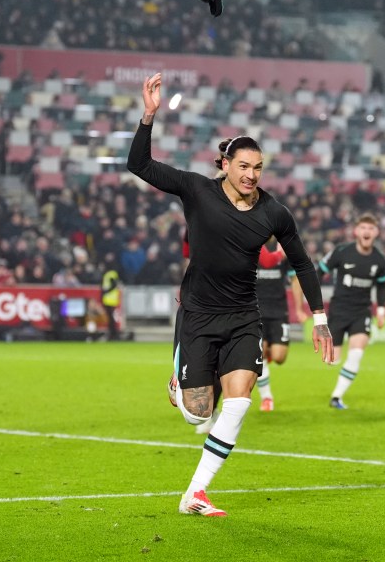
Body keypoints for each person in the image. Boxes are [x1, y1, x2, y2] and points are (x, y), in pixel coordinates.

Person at [127, 73, 333, 517]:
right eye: (243, 166)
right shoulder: (197, 190)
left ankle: (195, 493)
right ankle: (180, 386)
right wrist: (148, 116)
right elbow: (139, 166)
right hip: (199, 314)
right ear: (225, 164)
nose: (251, 175)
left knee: (239, 401)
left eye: (258, 168)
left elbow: (303, 263)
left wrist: (319, 317)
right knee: (197, 415)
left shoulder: (274, 212)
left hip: (243, 316)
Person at [319, 214, 385, 410]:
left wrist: (381, 311)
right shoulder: (341, 252)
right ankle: (335, 372)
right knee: (331, 360)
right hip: (339, 310)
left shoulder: (380, 260)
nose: (367, 231)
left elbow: (382, 287)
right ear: (356, 231)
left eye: (371, 228)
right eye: (363, 227)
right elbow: (320, 271)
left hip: (362, 312)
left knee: (357, 353)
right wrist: (314, 299)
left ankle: (336, 397)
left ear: (376, 232)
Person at [255, 238, 307, 412]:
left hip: (278, 310)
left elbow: (295, 280)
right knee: (258, 353)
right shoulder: (252, 242)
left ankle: (268, 353)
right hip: (255, 310)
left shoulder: (285, 247)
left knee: (279, 357)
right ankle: (267, 398)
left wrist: (299, 309)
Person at [101, 265, 122, 341]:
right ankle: (113, 333)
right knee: (111, 318)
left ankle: (113, 334)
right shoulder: (112, 274)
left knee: (111, 319)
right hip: (110, 299)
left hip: (110, 299)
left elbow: (114, 285)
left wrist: (106, 291)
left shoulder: (110, 274)